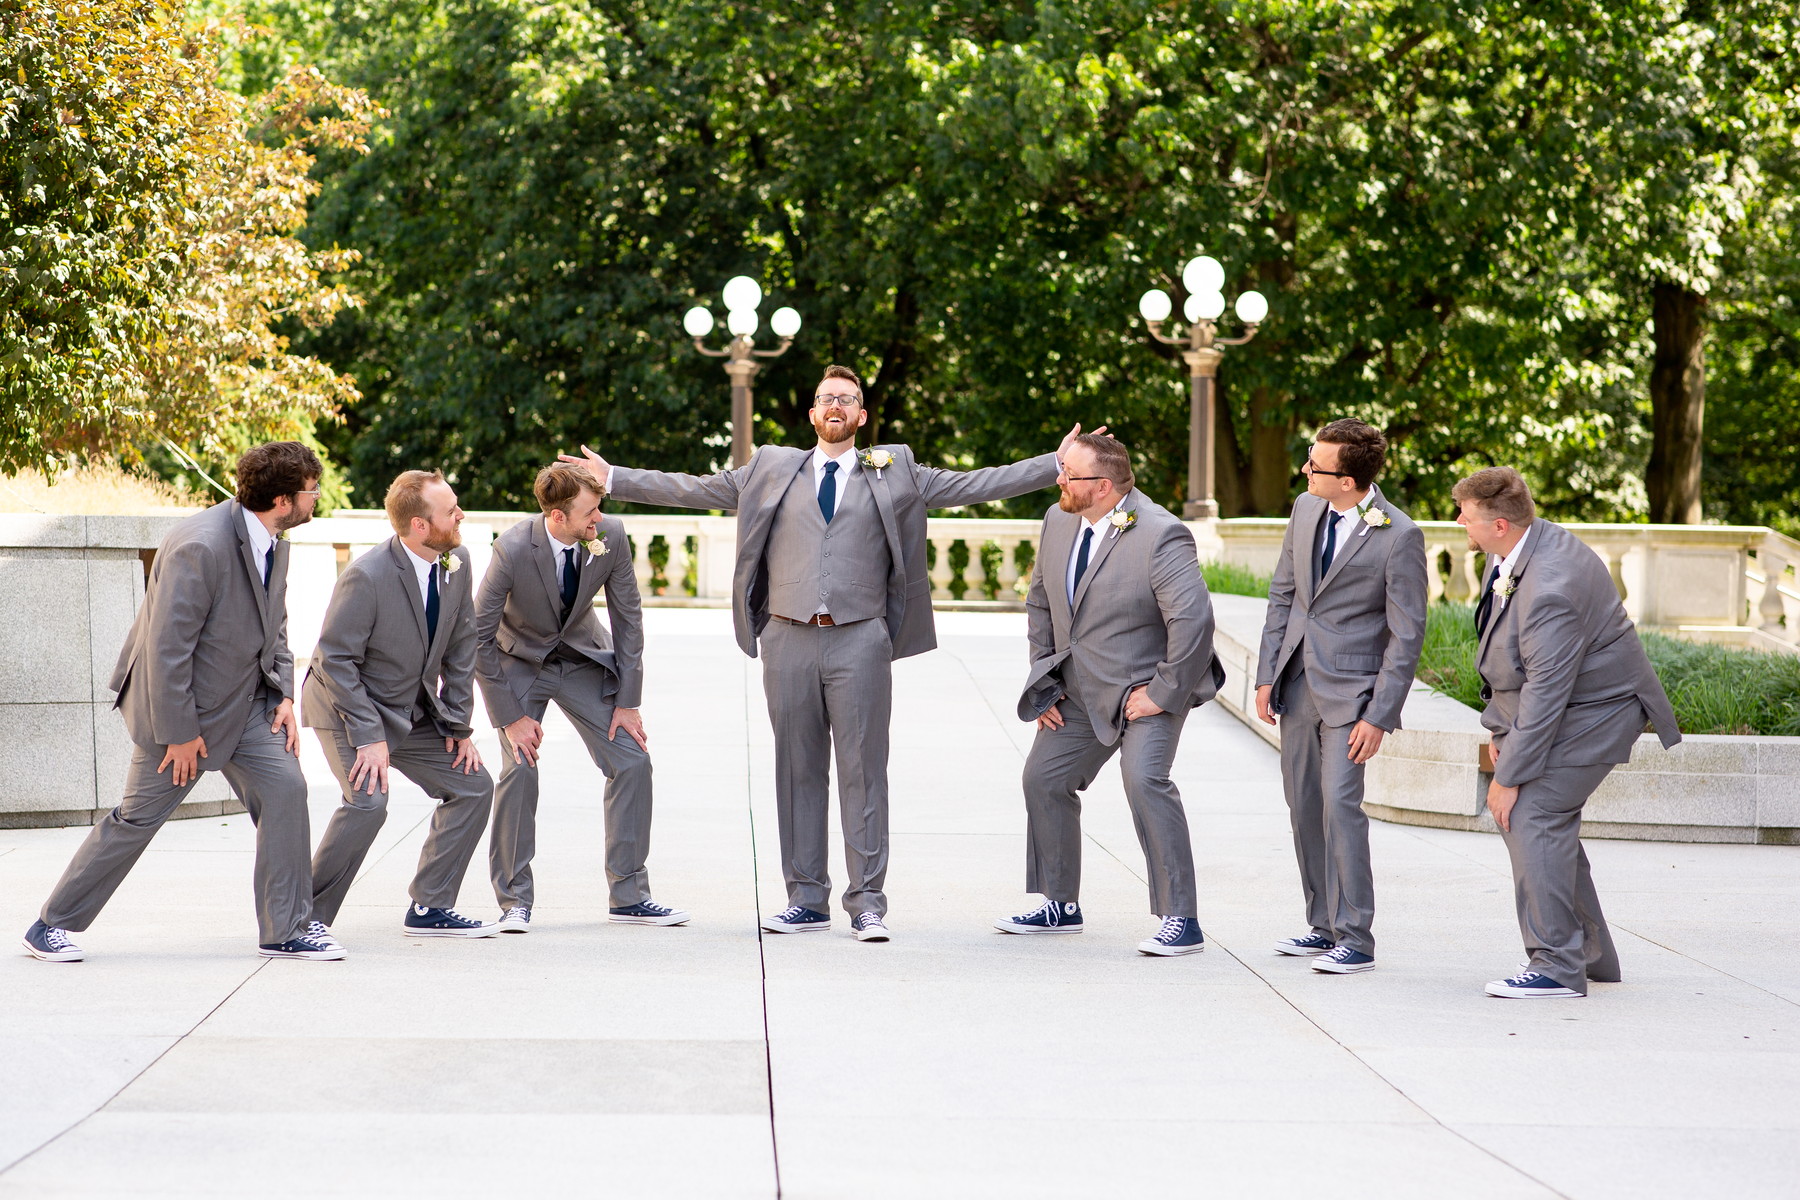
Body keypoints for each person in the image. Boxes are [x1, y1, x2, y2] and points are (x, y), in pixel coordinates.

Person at [565, 365, 1082, 941]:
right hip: (786, 637)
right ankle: (806, 899)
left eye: (848, 399)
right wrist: (613, 479)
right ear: (812, 414)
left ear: (861, 416)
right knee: (797, 769)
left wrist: (1053, 466)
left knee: (864, 771)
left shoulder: (896, 469)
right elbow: (695, 488)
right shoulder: (769, 468)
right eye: (826, 398)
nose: (836, 405)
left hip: (860, 639)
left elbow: (975, 484)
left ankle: (867, 903)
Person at [24, 442, 333, 962]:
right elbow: (166, 648)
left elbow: (274, 625)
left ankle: (288, 928)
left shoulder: (275, 541)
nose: (316, 499)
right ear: (283, 499)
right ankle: (50, 925)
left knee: (286, 790)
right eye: (311, 491)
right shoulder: (201, 545)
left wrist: (281, 693)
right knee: (136, 820)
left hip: (247, 705)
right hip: (184, 713)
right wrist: (179, 732)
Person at [1453, 466, 1681, 998]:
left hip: (1598, 711)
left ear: (1501, 524)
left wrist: (1507, 775)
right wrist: (1500, 727)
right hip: (1566, 704)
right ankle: (1590, 957)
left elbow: (1547, 692)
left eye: (1466, 513)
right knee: (1543, 821)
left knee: (1532, 812)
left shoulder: (1552, 585)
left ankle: (1556, 965)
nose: (1459, 519)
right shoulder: (1514, 549)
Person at [998, 433, 1225, 956]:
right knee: (1043, 778)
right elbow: (1040, 603)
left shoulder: (1162, 534)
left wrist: (1162, 693)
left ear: (1102, 487)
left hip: (1144, 690)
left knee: (1145, 780)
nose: (1056, 480)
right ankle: (1060, 904)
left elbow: (1193, 624)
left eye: (1067, 474)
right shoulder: (1058, 520)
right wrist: (1045, 678)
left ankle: (1181, 918)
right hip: (1076, 689)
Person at [474, 463, 683, 933]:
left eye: (599, 508)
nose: (599, 519)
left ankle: (629, 896)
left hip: (581, 658)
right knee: (520, 768)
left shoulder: (610, 534)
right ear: (555, 516)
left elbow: (629, 618)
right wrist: (508, 718)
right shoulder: (510, 550)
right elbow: (478, 637)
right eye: (589, 512)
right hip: (521, 663)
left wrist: (628, 701)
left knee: (632, 760)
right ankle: (514, 900)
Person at [1254, 419, 1428, 974]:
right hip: (1296, 683)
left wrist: (1381, 714)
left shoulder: (1399, 536)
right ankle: (1321, 924)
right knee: (1303, 805)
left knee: (1340, 808)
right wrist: (1265, 675)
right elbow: (1283, 596)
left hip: (1354, 696)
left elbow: (1407, 635)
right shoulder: (1305, 509)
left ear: (1349, 481)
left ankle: (1356, 938)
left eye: (1316, 465)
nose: (1305, 469)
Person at [304, 470, 496, 942]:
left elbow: (462, 645)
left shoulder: (458, 560)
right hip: (348, 710)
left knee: (473, 786)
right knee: (368, 802)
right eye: (451, 511)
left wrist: (457, 725)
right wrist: (370, 737)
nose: (461, 515)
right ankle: (302, 916)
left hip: (411, 711)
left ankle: (430, 905)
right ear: (420, 526)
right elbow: (335, 661)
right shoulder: (366, 577)